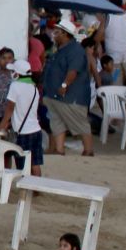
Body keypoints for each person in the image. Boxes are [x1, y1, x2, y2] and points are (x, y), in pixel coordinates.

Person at [42, 21, 96, 158]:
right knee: (56, 121)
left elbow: (73, 71)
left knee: (79, 121)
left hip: (71, 95)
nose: (54, 35)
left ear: (65, 34)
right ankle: (59, 150)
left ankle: (88, 150)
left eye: (57, 32)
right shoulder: (60, 49)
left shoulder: (75, 50)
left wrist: (64, 85)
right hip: (54, 95)